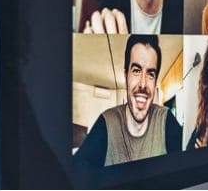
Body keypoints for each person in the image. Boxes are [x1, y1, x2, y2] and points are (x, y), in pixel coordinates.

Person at [74, 34, 183, 168]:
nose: (143, 85)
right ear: (126, 76)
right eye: (136, 71)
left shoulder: (165, 119)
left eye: (150, 74)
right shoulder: (107, 122)